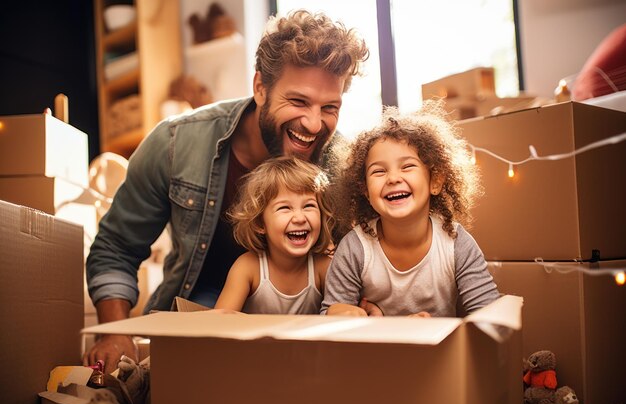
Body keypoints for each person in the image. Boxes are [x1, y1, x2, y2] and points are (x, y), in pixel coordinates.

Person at [84, 9, 369, 372]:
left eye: (330, 107)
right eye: (298, 101)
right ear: (260, 88)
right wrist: (114, 332)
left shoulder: (343, 168)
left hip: (301, 344)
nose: (314, 124)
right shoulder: (175, 143)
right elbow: (116, 248)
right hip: (198, 324)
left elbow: (364, 267)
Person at [321, 102, 500, 317]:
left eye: (407, 166)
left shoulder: (456, 244)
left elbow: (490, 315)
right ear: (365, 191)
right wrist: (342, 314)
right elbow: (330, 315)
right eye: (379, 171)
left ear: (435, 181)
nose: (394, 178)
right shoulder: (354, 249)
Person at [213, 156, 332, 314]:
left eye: (309, 206)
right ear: (260, 224)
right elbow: (219, 322)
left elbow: (343, 312)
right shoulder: (248, 268)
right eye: (285, 208)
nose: (300, 218)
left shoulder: (323, 267)